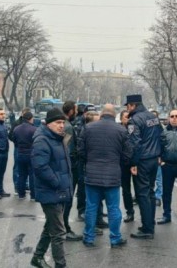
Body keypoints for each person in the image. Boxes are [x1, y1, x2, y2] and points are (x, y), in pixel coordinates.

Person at [79, 104, 132, 248]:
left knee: (91, 207)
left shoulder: (88, 128)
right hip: (113, 175)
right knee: (114, 208)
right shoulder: (121, 130)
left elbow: (81, 151)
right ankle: (115, 239)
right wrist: (117, 163)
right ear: (114, 115)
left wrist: (89, 162)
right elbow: (128, 154)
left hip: (92, 174)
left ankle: (88, 237)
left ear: (101, 114)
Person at [30, 108, 74, 268]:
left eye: (63, 122)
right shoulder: (42, 140)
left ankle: (37, 257)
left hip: (59, 191)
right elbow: (40, 167)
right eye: (58, 122)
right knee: (58, 233)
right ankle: (60, 265)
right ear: (48, 124)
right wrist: (57, 182)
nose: (61, 125)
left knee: (51, 226)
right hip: (51, 192)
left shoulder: (57, 138)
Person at [126, 94, 163, 240]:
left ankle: (147, 228)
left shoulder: (134, 120)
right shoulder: (153, 117)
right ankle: (150, 223)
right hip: (154, 159)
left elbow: (134, 144)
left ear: (132, 105)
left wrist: (133, 163)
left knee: (142, 194)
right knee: (150, 193)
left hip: (142, 160)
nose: (127, 109)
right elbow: (161, 135)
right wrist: (160, 154)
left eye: (128, 106)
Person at [60, 101, 85, 241]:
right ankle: (65, 229)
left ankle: (62, 227)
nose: (76, 112)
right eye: (75, 109)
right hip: (71, 168)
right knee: (67, 199)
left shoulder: (64, 123)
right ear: (70, 111)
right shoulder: (68, 127)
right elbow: (67, 149)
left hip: (67, 167)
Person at [12, 112, 37, 200]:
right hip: (31, 154)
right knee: (32, 175)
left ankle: (21, 194)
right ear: (30, 118)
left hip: (20, 153)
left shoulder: (16, 129)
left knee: (21, 175)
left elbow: (14, 141)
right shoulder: (34, 129)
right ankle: (33, 195)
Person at [119, 110, 136, 223]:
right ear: (121, 119)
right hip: (123, 163)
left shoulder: (134, 129)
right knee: (126, 190)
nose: (128, 119)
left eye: (129, 117)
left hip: (135, 163)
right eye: (126, 117)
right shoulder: (118, 130)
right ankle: (129, 211)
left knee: (139, 188)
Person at [151, 109, 163, 207]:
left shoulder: (160, 128)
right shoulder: (146, 128)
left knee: (159, 179)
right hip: (148, 157)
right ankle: (151, 196)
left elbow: (162, 143)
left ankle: (158, 197)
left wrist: (160, 156)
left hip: (157, 157)